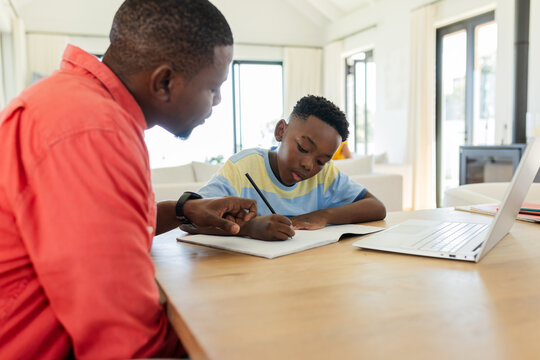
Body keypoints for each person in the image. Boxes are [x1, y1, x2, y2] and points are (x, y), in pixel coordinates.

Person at [0, 0, 258, 358]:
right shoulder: (92, 130)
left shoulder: (76, 103)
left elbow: (90, 232)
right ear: (164, 81)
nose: (217, 101)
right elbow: (126, 342)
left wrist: (184, 210)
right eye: (212, 88)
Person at [186, 95, 386, 241]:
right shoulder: (243, 167)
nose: (309, 165)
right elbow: (189, 219)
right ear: (281, 131)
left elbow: (376, 207)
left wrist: (324, 216)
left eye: (321, 161)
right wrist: (249, 227)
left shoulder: (325, 175)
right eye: (303, 148)